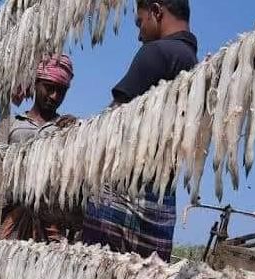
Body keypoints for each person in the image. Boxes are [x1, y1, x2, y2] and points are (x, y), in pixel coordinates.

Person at [82, 0, 197, 263]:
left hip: (126, 189)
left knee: (98, 270)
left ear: (157, 12)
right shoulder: (191, 61)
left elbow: (114, 118)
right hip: (161, 195)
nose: (138, 34)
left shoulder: (156, 52)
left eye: (140, 21)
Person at [0, 54, 81, 243]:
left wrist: (76, 131)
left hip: (51, 220)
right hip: (11, 213)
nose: (54, 96)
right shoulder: (11, 125)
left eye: (61, 91)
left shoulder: (66, 129)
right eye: (49, 88)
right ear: (36, 84)